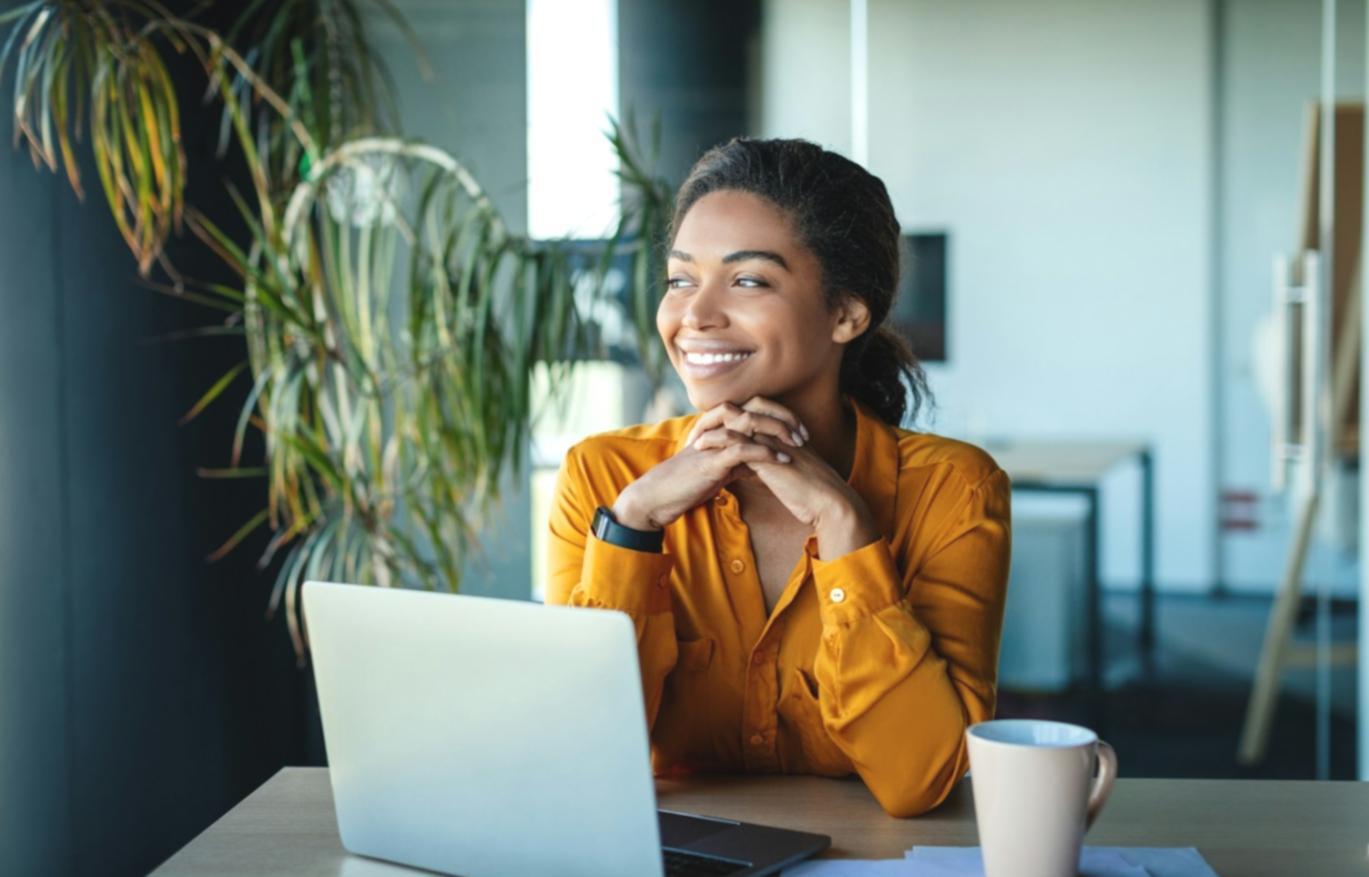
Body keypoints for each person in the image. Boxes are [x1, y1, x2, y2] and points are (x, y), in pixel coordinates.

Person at [545, 137, 1011, 818]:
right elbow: (574, 754)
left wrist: (847, 529)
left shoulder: (954, 490)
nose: (694, 316)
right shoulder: (607, 478)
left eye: (748, 280)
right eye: (680, 279)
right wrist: (632, 528)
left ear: (847, 314)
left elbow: (921, 779)